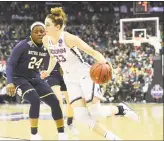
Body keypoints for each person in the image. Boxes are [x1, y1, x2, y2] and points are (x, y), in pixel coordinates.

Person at [40, 7, 139, 140]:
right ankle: (112, 138)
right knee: (80, 116)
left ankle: (121, 109)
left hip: (84, 74)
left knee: (97, 113)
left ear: (57, 27)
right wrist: (48, 71)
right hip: (69, 78)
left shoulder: (69, 38)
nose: (44, 27)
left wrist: (105, 63)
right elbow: (53, 57)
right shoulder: (46, 40)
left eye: (48, 24)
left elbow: (92, 52)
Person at [6, 22, 68, 140]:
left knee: (55, 101)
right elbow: (10, 64)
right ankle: (34, 134)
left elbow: (55, 57)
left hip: (35, 77)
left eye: (42, 31)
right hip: (19, 79)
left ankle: (61, 133)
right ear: (31, 33)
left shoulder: (48, 45)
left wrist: (60, 67)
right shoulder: (23, 45)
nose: (39, 34)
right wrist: (9, 82)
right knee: (34, 100)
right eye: (36, 32)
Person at [44, 62, 79, 135]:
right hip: (51, 75)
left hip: (65, 74)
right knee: (59, 100)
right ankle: (61, 126)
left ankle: (70, 123)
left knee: (71, 101)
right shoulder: (46, 50)